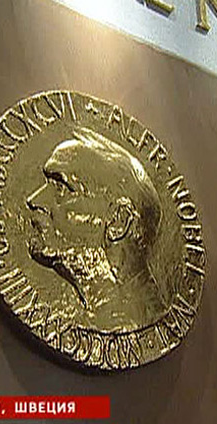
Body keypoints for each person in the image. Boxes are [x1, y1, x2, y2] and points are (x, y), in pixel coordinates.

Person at [25, 127, 165, 333]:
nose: (34, 200)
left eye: (62, 187)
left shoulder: (132, 320)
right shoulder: (89, 315)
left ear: (118, 221)